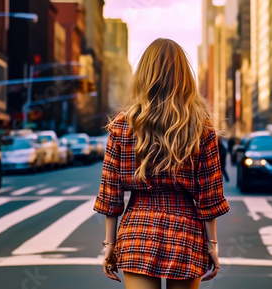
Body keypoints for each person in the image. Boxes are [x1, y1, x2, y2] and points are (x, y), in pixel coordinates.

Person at [93, 38, 231, 289]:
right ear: (184, 77)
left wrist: (110, 246)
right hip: (186, 232)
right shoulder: (201, 127)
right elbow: (209, 197)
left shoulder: (121, 126)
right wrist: (212, 247)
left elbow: (110, 197)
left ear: (143, 75)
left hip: (138, 232)